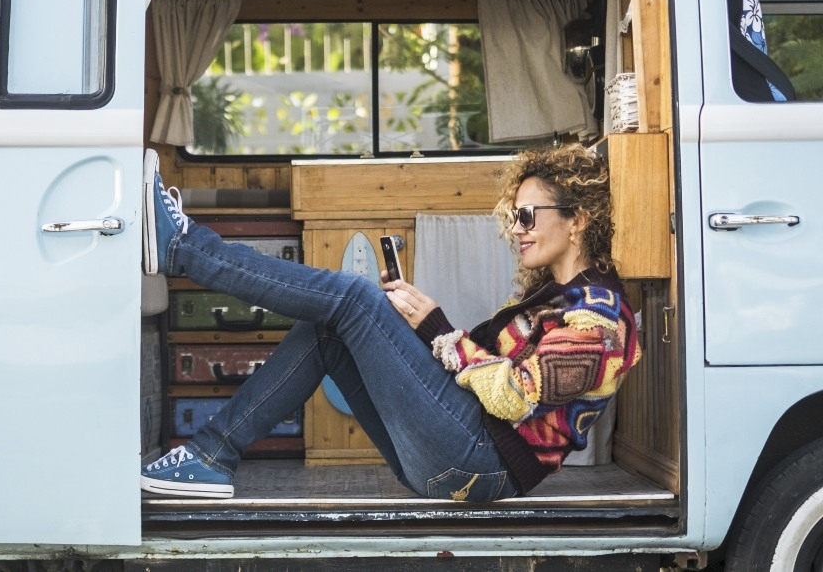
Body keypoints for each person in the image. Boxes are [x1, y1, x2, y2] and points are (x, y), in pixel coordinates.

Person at [139, 144, 640, 502]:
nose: (516, 229)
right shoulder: (562, 296)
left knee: (354, 296)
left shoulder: (600, 319)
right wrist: (421, 324)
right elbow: (484, 380)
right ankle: (210, 457)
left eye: (527, 216)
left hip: (482, 465)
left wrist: (435, 327)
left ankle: (183, 248)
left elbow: (515, 395)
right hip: (468, 454)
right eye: (513, 216)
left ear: (577, 220)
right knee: (331, 327)